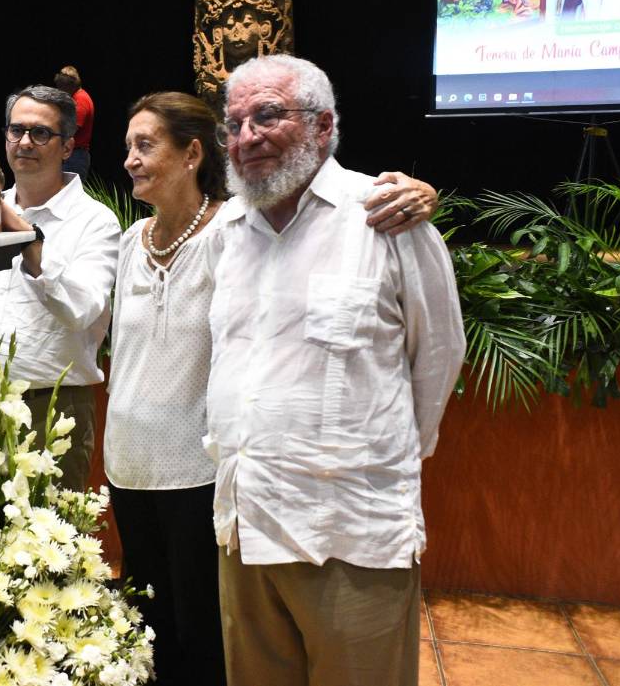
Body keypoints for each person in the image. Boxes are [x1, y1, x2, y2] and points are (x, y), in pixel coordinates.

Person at [106, 93, 438, 686]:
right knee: (149, 624)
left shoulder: (235, 232)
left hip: (201, 467)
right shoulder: (131, 241)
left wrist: (417, 193)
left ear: (192, 154)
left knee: (206, 634)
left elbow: (433, 352)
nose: (130, 158)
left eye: (145, 144)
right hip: (127, 461)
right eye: (127, 146)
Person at [205, 54, 466, 686]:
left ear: (324, 126)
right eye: (234, 124)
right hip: (245, 527)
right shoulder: (228, 232)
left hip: (348, 529)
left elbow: (438, 354)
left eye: (267, 115)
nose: (247, 137)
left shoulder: (385, 217)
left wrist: (380, 456)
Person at [0, 84, 120, 491]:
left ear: (67, 147)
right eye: (16, 130)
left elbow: (83, 310)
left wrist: (32, 243)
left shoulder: (95, 221)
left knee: (49, 552)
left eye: (40, 133)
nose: (25, 142)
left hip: (53, 406)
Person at [53, 66, 94, 178]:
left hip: (76, 156)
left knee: (67, 193)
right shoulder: (77, 97)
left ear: (69, 86)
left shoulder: (81, 100)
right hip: (74, 154)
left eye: (61, 87)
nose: (60, 91)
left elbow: (71, 129)